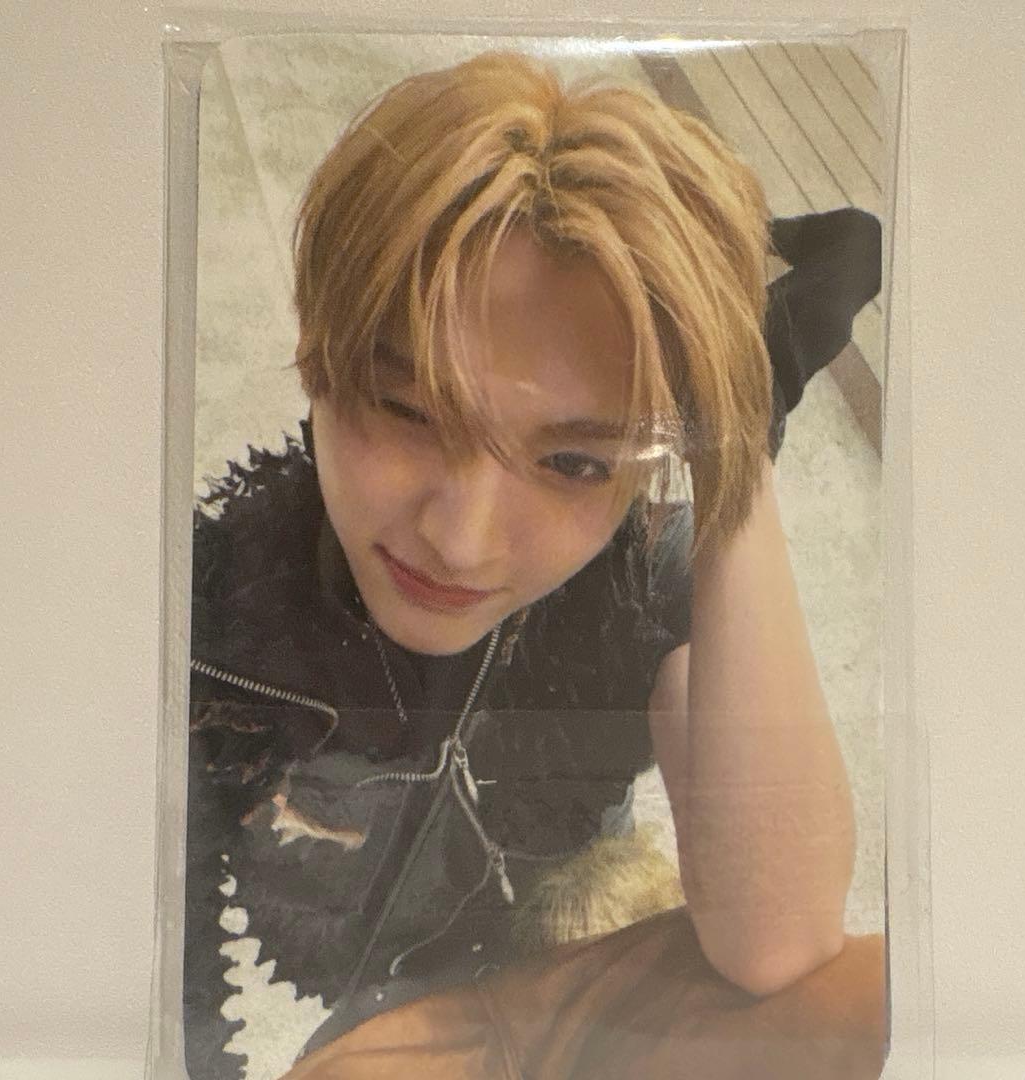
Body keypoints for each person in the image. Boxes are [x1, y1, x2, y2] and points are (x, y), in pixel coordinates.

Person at [184, 50, 884, 1080]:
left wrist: (739, 445)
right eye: (408, 411)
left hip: (538, 969)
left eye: (573, 462)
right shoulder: (204, 604)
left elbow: (779, 940)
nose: (461, 541)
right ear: (317, 356)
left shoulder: (638, 579)